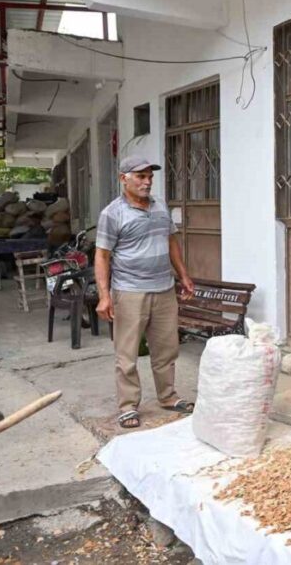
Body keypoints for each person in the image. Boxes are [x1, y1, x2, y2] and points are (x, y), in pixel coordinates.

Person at [95, 156, 195, 429]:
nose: (147, 181)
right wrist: (104, 296)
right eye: (140, 176)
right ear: (123, 178)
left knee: (166, 349)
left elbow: (171, 240)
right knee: (126, 354)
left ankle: (168, 396)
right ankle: (128, 406)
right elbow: (102, 256)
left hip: (163, 289)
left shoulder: (160, 205)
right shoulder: (112, 214)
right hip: (129, 292)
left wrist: (183, 275)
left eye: (149, 176)